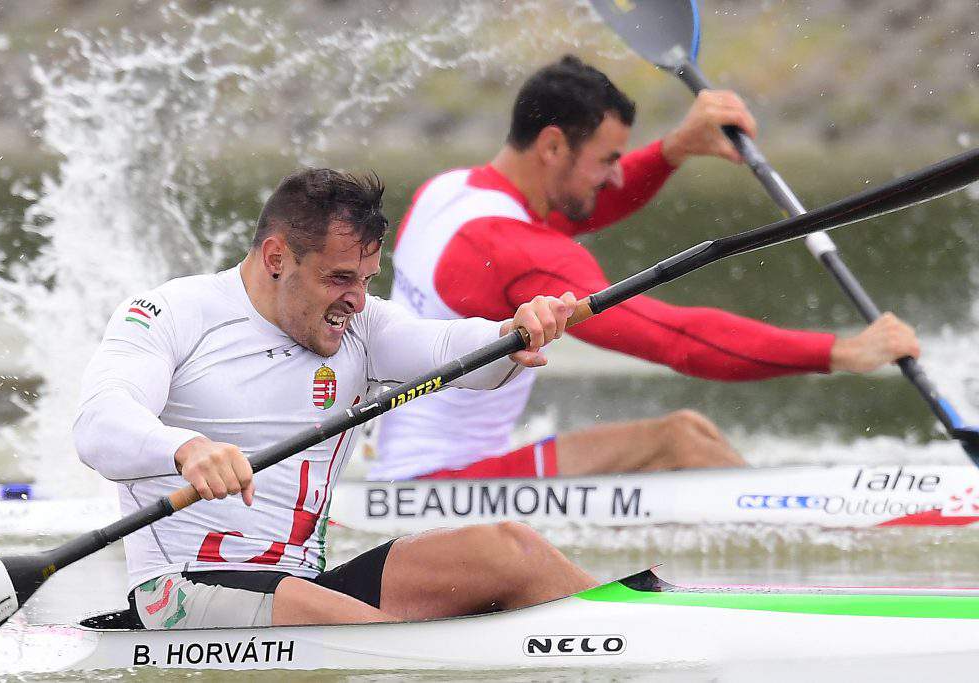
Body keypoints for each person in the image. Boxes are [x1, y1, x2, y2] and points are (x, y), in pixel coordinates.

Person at [73, 169, 595, 629]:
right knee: (386, 644)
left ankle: (627, 626)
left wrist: (513, 331)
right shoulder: (172, 314)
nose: (357, 300)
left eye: (366, 280)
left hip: (304, 586)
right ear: (276, 258)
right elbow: (99, 421)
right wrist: (185, 449)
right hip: (183, 588)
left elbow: (447, 347)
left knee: (512, 550)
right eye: (340, 278)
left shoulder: (362, 328)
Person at [371, 55, 920, 481]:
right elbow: (675, 339)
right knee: (677, 441)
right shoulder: (521, 250)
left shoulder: (449, 193)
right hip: (442, 487)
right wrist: (839, 352)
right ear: (553, 146)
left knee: (690, 430)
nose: (615, 177)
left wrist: (674, 149)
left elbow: (583, 205)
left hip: (407, 468)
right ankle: (821, 525)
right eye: (607, 160)